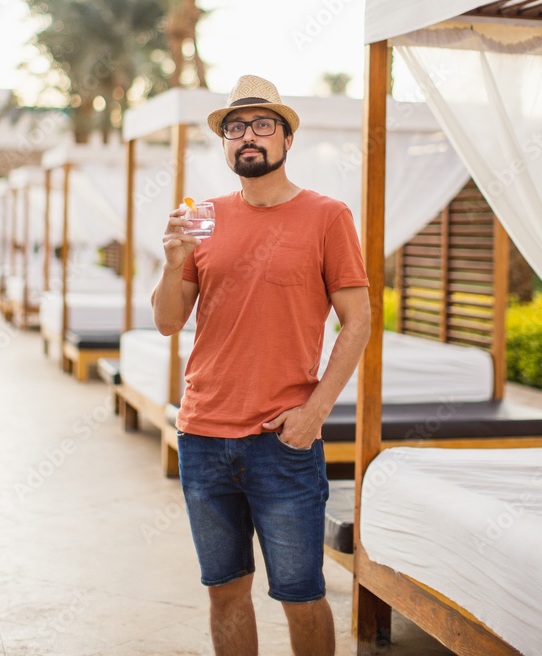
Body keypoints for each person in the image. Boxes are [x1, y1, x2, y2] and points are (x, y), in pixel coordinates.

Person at [152, 74, 370, 656]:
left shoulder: (328, 216)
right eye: (235, 127)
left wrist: (315, 411)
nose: (248, 136)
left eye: (262, 125)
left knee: (301, 594)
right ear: (225, 144)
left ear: (286, 139)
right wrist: (173, 263)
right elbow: (169, 321)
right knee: (225, 592)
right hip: (202, 436)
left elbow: (359, 320)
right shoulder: (200, 216)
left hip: (284, 441)